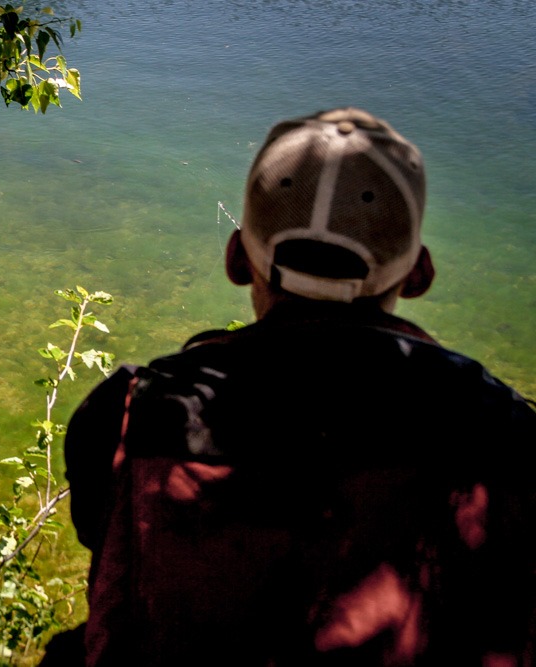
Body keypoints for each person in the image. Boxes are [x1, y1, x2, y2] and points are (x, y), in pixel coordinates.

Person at [56, 108, 536, 666]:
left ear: (238, 259)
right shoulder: (506, 434)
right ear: (419, 273)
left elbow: (106, 544)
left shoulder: (127, 415)